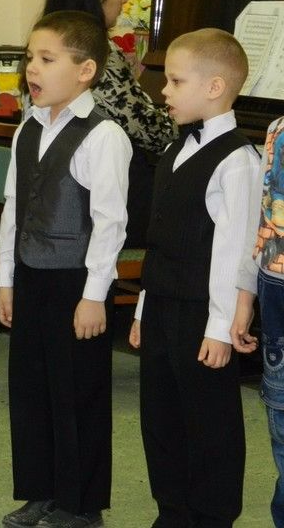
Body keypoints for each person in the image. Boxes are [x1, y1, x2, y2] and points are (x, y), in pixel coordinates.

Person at [0, 10, 131, 528]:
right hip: (31, 273)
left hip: (77, 281)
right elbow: (13, 205)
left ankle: (81, 505)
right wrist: (6, 279)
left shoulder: (103, 136)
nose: (32, 68)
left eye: (47, 59)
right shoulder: (28, 127)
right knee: (31, 387)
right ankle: (41, 491)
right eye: (30, 57)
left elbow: (110, 223)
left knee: (78, 392)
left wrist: (95, 294)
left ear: (85, 70)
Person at [129, 28, 259, 527]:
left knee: (209, 424)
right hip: (162, 303)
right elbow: (159, 239)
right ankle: (173, 512)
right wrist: (142, 309)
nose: (164, 90)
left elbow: (233, 254)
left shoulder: (238, 161)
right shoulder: (174, 147)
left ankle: (211, 516)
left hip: (204, 314)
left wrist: (220, 328)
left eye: (176, 81)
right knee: (160, 418)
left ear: (214, 87)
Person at [42, 0, 176, 248]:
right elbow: (152, 132)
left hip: (55, 200)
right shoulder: (98, 53)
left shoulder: (43, 43)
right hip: (92, 207)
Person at [231, 113, 284, 528]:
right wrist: (245, 297)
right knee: (280, 417)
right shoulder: (277, 130)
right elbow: (261, 221)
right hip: (276, 288)